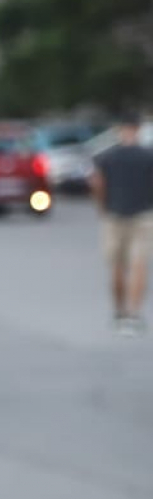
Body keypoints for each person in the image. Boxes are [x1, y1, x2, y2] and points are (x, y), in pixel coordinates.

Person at [91, 112, 152, 336]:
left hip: (114, 216)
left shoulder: (107, 156)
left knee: (117, 266)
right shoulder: (148, 155)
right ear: (138, 130)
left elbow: (97, 183)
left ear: (120, 130)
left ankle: (119, 312)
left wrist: (102, 207)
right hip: (143, 216)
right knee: (139, 266)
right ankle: (134, 316)